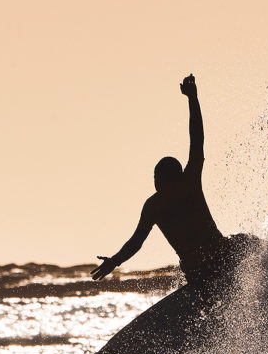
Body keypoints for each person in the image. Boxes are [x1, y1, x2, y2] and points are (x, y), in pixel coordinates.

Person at [92, 74, 256, 287]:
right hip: (223, 260)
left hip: (198, 272)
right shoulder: (190, 184)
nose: (154, 181)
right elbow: (197, 139)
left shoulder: (154, 205)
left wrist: (114, 262)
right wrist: (192, 98)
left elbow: (136, 242)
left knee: (242, 241)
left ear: (161, 178)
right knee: (246, 242)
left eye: (155, 177)